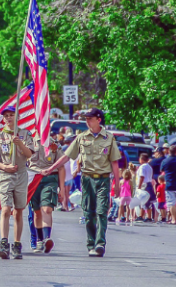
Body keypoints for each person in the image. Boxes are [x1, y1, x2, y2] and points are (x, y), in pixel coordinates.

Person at [46, 108, 121, 257]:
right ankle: (91, 243)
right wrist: (51, 168)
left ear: (98, 120)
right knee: (88, 213)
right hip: (87, 179)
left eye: (90, 118)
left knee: (101, 212)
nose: (87, 121)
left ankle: (100, 243)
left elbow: (114, 162)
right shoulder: (81, 138)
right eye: (86, 119)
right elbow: (67, 156)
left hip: (103, 179)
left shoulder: (109, 138)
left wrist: (117, 184)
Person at [0, 105, 36, 259]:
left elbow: (29, 155)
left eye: (11, 115)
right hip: (6, 175)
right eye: (6, 116)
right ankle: (4, 242)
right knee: (6, 209)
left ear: (17, 117)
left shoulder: (25, 134)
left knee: (18, 211)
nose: (8, 118)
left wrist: (20, 143)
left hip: (21, 174)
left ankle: (17, 243)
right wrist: (4, 166)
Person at [29, 137, 64, 253]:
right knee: (37, 212)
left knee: (47, 209)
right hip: (34, 178)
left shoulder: (54, 143)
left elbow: (61, 166)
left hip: (50, 179)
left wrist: (62, 188)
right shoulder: (28, 141)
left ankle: (46, 238)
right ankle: (39, 239)